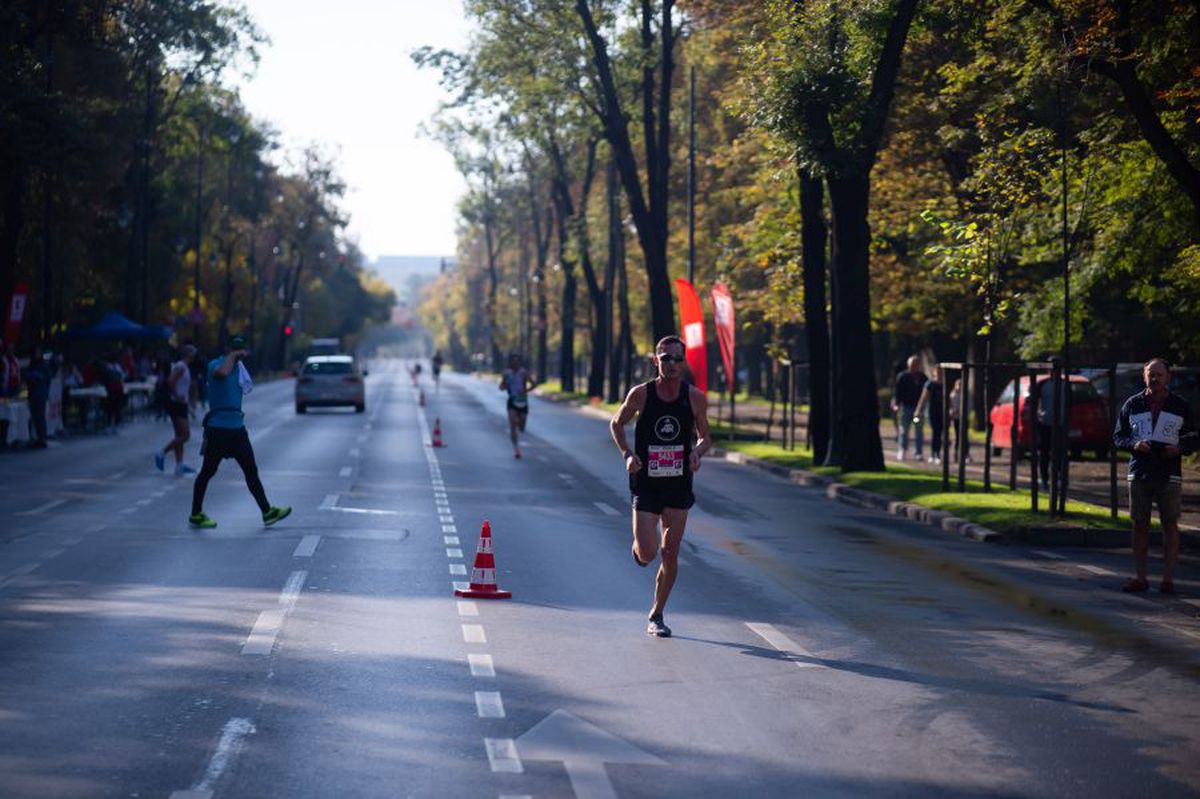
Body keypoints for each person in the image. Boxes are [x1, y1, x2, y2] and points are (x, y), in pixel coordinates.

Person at [609, 335, 711, 638]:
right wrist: (627, 454)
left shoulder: (694, 397)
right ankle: (639, 551)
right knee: (650, 553)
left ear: (684, 363)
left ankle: (657, 613)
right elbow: (616, 423)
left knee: (670, 552)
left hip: (678, 482)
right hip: (647, 482)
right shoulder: (641, 394)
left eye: (678, 359)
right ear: (656, 361)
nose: (672, 364)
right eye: (666, 358)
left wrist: (696, 452)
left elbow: (706, 437)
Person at [1113, 358, 1198, 594]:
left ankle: (1167, 580)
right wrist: (1134, 444)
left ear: (1168, 377)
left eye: (1159, 374)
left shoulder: (1179, 405)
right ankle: (1141, 578)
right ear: (1144, 376)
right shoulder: (1133, 404)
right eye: (1151, 374)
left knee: (1170, 525)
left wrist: (1179, 448)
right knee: (1139, 524)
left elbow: (1194, 437)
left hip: (1169, 473)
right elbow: (1118, 436)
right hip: (1140, 472)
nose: (1155, 378)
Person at [189, 334, 291, 530]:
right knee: (208, 472)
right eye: (235, 349)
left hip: (237, 428)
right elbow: (221, 374)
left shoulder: (239, 368)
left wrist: (237, 359)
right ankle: (195, 514)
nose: (239, 353)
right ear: (227, 349)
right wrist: (232, 356)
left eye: (241, 349)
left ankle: (267, 511)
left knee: (251, 471)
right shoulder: (216, 364)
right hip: (218, 428)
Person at [155, 344, 197, 476]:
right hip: (177, 404)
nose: (195, 354)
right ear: (187, 353)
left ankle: (179, 466)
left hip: (181, 404)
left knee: (179, 435)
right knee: (185, 436)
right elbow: (170, 381)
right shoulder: (181, 366)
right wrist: (176, 395)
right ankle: (161, 453)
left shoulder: (184, 366)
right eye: (193, 352)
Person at [499, 353, 536, 459]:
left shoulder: (523, 373)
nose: (515, 363)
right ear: (510, 362)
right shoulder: (507, 374)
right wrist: (505, 386)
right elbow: (501, 386)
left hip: (522, 401)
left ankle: (519, 423)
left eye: (517, 361)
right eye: (513, 361)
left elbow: (533, 384)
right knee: (512, 426)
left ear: (519, 362)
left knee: (522, 427)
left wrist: (525, 391)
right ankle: (516, 449)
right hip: (512, 400)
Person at [891, 355, 927, 461]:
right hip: (906, 407)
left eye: (916, 364)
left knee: (919, 430)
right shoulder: (902, 377)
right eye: (912, 364)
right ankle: (902, 449)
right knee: (904, 430)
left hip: (918, 409)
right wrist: (897, 404)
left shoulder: (923, 377)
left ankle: (918, 452)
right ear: (908, 365)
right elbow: (898, 392)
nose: (914, 367)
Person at [913, 365, 944, 463]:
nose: (939, 373)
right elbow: (923, 398)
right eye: (937, 371)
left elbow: (948, 399)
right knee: (935, 432)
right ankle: (933, 454)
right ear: (934, 372)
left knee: (939, 432)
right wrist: (918, 410)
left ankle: (937, 453)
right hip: (932, 411)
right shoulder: (929, 384)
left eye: (941, 371)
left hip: (941, 411)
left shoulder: (944, 384)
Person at [23, 346, 51, 448]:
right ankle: (38, 438)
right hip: (32, 394)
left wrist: (45, 393)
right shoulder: (32, 365)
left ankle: (42, 438)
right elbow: (27, 378)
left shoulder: (44, 366)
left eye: (38, 353)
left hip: (40, 394)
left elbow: (47, 380)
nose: (37, 355)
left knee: (40, 417)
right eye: (36, 353)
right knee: (35, 417)